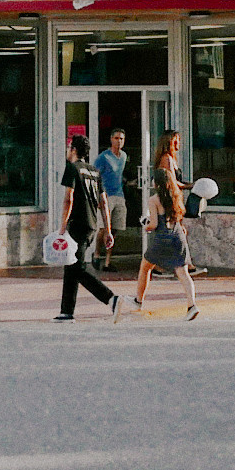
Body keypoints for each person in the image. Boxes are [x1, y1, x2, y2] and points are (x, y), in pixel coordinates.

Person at [53, 134, 123, 324]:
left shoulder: (72, 168)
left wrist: (62, 226)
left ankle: (111, 299)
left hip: (78, 224)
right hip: (92, 225)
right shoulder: (93, 171)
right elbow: (103, 202)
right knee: (71, 267)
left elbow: (69, 198)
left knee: (77, 269)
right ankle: (66, 312)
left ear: (74, 150)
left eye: (69, 147)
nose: (68, 151)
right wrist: (107, 229)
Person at [134, 128, 198, 319]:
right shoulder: (168, 166)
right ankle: (192, 305)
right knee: (182, 271)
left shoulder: (154, 199)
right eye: (175, 141)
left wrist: (146, 226)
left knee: (145, 266)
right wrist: (188, 186)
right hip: (175, 228)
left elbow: (153, 224)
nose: (178, 144)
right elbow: (174, 186)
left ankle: (138, 300)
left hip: (163, 234)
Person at [96, 128, 130, 241]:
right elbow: (95, 176)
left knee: (115, 229)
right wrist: (97, 197)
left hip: (119, 195)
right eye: (116, 138)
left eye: (121, 139)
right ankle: (96, 253)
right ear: (111, 139)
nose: (119, 141)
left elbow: (118, 174)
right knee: (103, 227)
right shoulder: (103, 157)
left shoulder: (124, 156)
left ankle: (108, 258)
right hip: (106, 195)